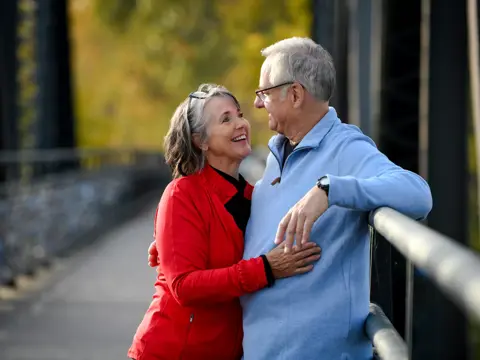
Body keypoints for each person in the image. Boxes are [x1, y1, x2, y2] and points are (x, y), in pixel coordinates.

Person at [147, 38, 433, 359]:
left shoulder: (346, 148)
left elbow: (418, 194)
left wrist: (329, 190)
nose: (255, 106)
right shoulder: (275, 157)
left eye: (264, 93)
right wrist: (171, 237)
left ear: (294, 95)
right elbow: (231, 227)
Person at [127, 83, 322, 360]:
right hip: (173, 350)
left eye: (239, 114)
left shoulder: (256, 197)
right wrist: (266, 269)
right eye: (225, 119)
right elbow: (184, 286)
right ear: (200, 141)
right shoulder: (182, 194)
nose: (240, 124)